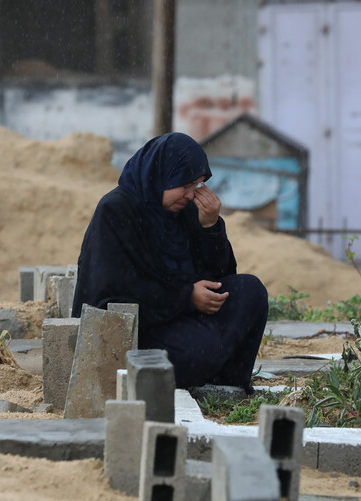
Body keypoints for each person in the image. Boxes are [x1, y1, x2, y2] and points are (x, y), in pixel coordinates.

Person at [71, 132, 268, 394]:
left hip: (181, 319)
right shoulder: (116, 211)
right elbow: (113, 295)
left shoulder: (184, 211)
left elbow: (220, 277)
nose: (190, 195)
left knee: (249, 290)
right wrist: (186, 296)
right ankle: (199, 368)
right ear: (160, 174)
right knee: (200, 349)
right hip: (139, 333)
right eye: (184, 185)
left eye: (197, 186)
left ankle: (227, 384)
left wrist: (210, 227)